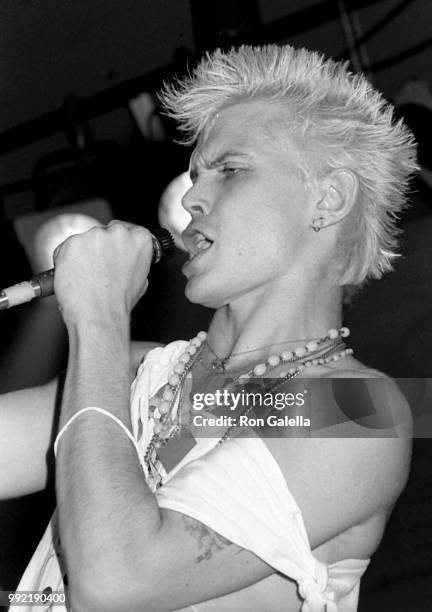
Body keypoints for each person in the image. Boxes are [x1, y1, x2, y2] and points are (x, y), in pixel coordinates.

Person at [0, 44, 416, 612]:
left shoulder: (357, 410)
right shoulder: (132, 373)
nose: (192, 196)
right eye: (194, 175)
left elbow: (117, 582)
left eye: (231, 170)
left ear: (329, 197)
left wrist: (98, 315)